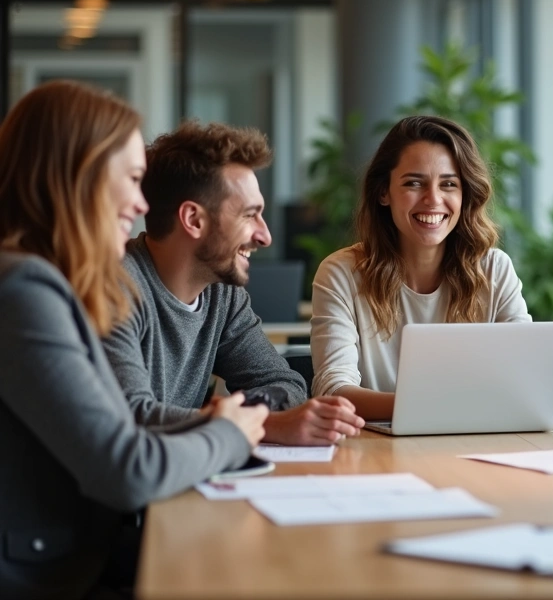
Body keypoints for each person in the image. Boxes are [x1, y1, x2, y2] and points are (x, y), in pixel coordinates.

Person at [0, 81, 266, 598]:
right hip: (47, 576)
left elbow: (120, 430)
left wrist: (217, 423)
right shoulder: (23, 291)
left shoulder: (48, 281)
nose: (142, 203)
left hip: (83, 552)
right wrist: (228, 434)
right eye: (132, 179)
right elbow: (127, 471)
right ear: (79, 176)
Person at [102, 121, 364, 446]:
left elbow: (285, 384)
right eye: (249, 215)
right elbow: (132, 415)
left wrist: (248, 414)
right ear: (194, 220)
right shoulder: (112, 287)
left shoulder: (222, 294)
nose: (265, 236)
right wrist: (267, 424)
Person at [311, 115, 553, 419]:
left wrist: (442, 407)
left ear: (465, 194)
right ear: (384, 192)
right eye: (414, 183)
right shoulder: (341, 274)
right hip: (377, 446)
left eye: (449, 184)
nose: (433, 199)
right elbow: (333, 392)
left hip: (474, 445)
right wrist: (445, 406)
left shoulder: (494, 270)